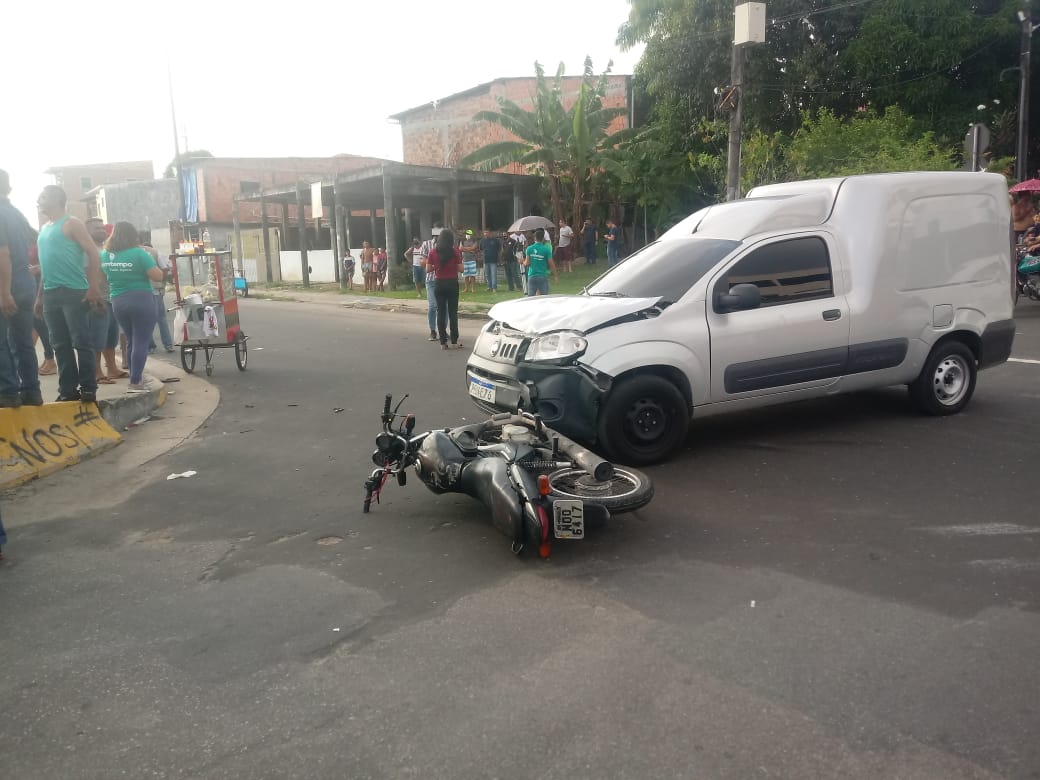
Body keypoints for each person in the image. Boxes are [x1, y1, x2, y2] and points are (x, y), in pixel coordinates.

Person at [34, 185, 105, 403]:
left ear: (57, 199)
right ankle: (67, 390)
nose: (39, 199)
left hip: (74, 291)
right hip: (51, 293)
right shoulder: (44, 228)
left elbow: (93, 253)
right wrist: (40, 296)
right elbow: (46, 265)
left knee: (81, 341)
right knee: (59, 344)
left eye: (43, 196)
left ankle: (88, 388)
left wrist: (94, 287)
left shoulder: (72, 223)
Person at [101, 222, 163, 393]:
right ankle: (135, 382)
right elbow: (157, 276)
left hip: (117, 300)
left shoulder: (105, 255)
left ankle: (135, 377)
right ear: (133, 235)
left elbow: (103, 277)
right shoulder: (139, 253)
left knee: (130, 340)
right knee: (141, 341)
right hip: (141, 298)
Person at [0, 168, 43, 406]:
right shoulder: (16, 214)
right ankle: (31, 392)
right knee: (23, 342)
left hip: (7, 286)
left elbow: (2, 254)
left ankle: (7, 392)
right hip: (25, 283)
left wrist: (5, 292)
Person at [84, 219, 124, 385]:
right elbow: (86, 273)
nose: (101, 230)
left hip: (111, 297)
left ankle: (112, 368)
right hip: (97, 299)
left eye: (102, 228)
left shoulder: (105, 249)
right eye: (97, 228)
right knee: (97, 337)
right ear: (87, 231)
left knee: (111, 337)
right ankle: (96, 372)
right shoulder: (87, 250)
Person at [426, 228, 463, 349]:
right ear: (451, 240)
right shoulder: (455, 252)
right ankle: (454, 341)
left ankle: (443, 342)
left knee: (440, 312)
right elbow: (461, 269)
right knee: (453, 313)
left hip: (439, 283)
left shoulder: (433, 252)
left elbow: (428, 269)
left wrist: (437, 266)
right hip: (452, 283)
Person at [142, 236, 174, 355]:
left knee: (147, 319)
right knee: (161, 318)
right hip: (156, 290)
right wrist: (161, 280)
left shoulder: (136, 253)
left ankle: (150, 346)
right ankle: (168, 344)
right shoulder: (155, 252)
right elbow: (165, 268)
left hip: (143, 291)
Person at [420, 223, 443, 340]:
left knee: (443, 307)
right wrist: (435, 263)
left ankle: (443, 330)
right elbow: (422, 262)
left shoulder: (447, 245)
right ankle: (433, 330)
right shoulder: (427, 244)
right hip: (431, 279)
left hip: (444, 279)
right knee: (433, 306)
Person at [523, 228, 558, 296]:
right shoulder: (546, 250)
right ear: (543, 239)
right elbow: (551, 264)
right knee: (544, 297)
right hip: (542, 276)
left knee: (531, 298)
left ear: (534, 238)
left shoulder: (529, 249)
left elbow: (527, 263)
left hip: (532, 276)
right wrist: (555, 276)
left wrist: (522, 261)